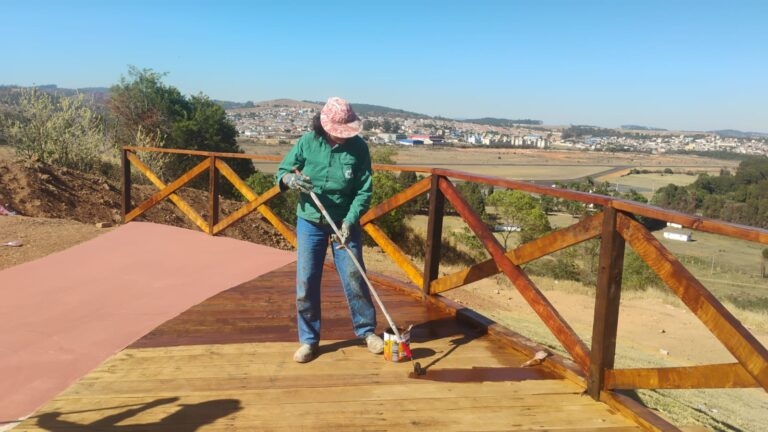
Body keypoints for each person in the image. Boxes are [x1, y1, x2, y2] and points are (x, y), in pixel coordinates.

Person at [276, 96, 384, 363]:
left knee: (354, 276)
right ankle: (309, 340)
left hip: (345, 222)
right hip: (310, 220)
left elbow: (363, 190)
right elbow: (282, 170)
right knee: (306, 281)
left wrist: (349, 221)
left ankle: (367, 331)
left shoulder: (358, 149)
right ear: (324, 127)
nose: (343, 137)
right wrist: (290, 179)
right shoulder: (307, 142)